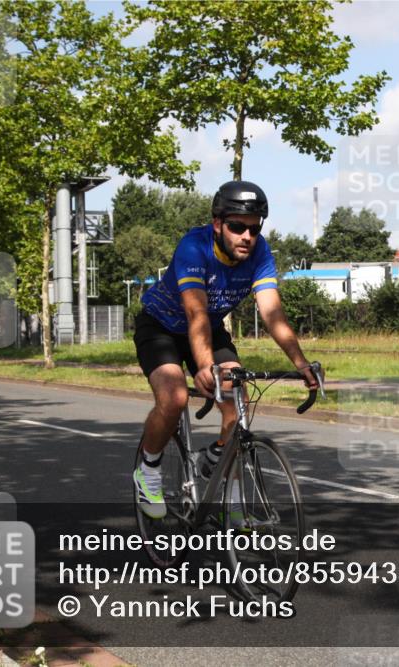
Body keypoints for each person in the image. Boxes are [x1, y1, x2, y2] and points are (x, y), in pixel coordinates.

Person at [132, 180, 319, 519]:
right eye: (237, 227)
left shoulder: (260, 252)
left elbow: (273, 313)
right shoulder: (193, 247)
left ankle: (228, 491)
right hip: (161, 327)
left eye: (254, 228)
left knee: (236, 398)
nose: (247, 236)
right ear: (218, 224)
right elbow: (195, 311)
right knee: (174, 397)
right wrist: (204, 366)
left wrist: (301, 363)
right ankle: (148, 467)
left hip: (209, 329)